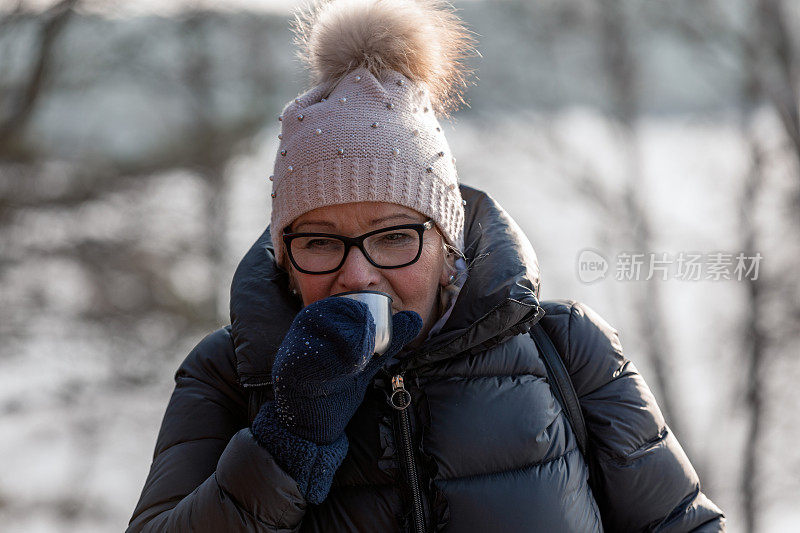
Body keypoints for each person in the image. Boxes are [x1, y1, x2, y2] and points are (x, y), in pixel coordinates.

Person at [128, 0, 726, 531]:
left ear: (448, 247)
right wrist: (286, 444)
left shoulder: (568, 350)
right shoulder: (229, 376)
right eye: (319, 242)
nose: (357, 276)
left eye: (392, 238)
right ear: (285, 257)